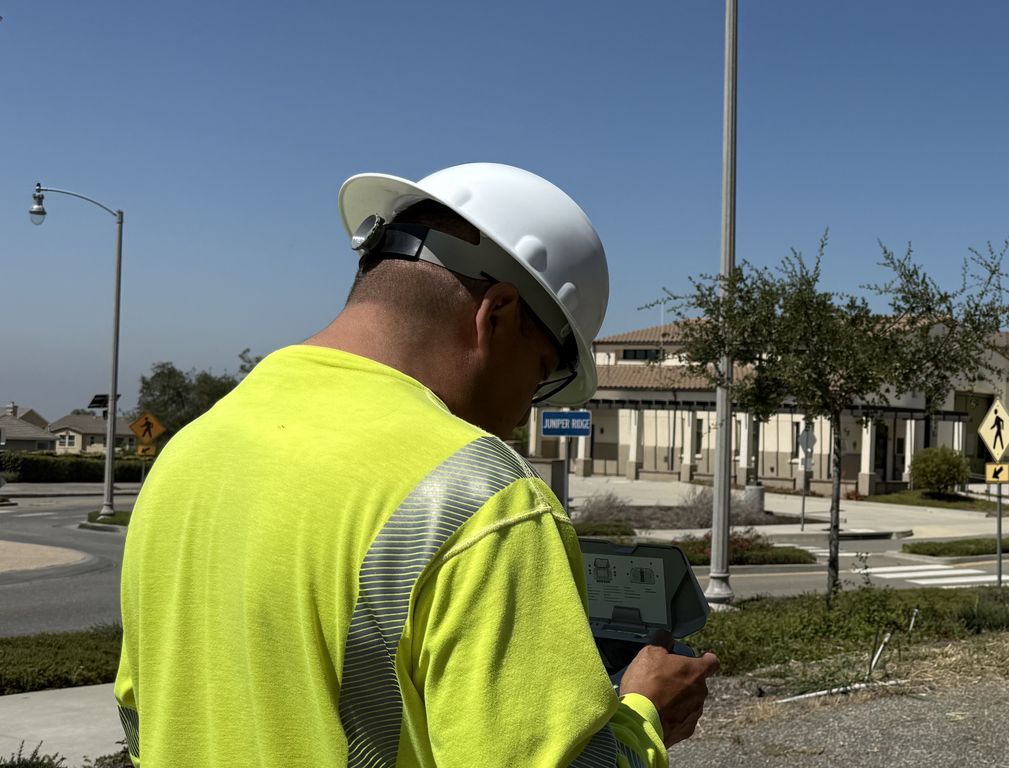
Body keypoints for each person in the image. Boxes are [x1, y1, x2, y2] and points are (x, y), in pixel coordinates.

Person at [113, 163, 717, 766]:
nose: (521, 414)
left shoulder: (189, 453)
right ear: (498, 315)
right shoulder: (482, 495)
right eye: (541, 374)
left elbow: (143, 716)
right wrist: (645, 719)